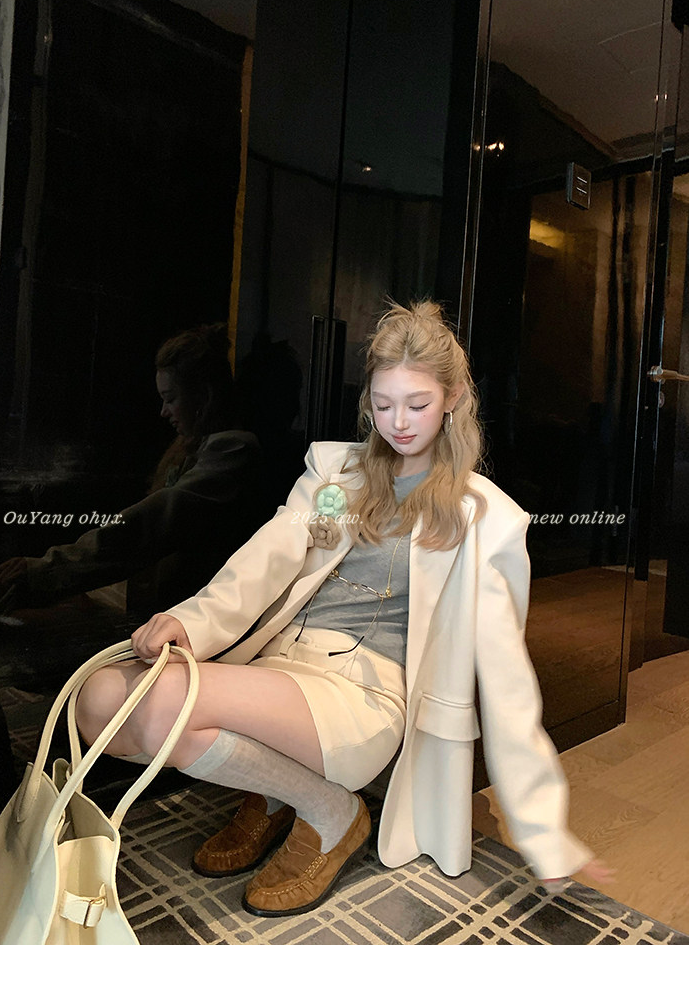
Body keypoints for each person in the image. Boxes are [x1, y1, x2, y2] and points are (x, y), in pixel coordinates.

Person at [75, 300, 612, 918]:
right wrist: (192, 619)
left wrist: (544, 831)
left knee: (160, 705)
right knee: (98, 701)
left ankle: (329, 812)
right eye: (383, 405)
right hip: (281, 669)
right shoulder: (337, 475)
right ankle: (286, 792)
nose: (398, 423)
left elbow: (508, 679)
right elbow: (273, 551)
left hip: (363, 692)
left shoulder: (484, 519)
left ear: (454, 398)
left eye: (417, 405)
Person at [0, 324, 263, 627]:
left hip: (190, 621)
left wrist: (48, 568)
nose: (163, 411)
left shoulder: (234, 450)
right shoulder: (192, 448)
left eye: (170, 398)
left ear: (203, 396)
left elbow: (148, 525)